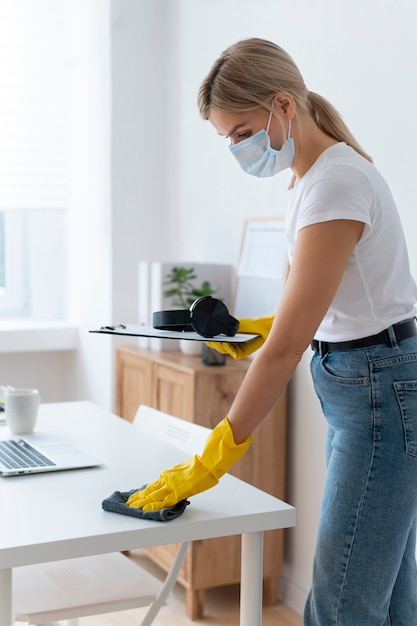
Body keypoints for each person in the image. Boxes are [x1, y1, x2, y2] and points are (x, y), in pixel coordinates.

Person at [127, 38, 417, 625]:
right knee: (387, 600)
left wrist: (214, 456)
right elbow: (306, 311)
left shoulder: (335, 183)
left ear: (283, 104)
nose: (237, 149)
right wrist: (249, 329)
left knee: (342, 607)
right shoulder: (311, 178)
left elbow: (288, 347)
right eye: (227, 140)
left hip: (378, 391)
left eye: (240, 133)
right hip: (369, 384)